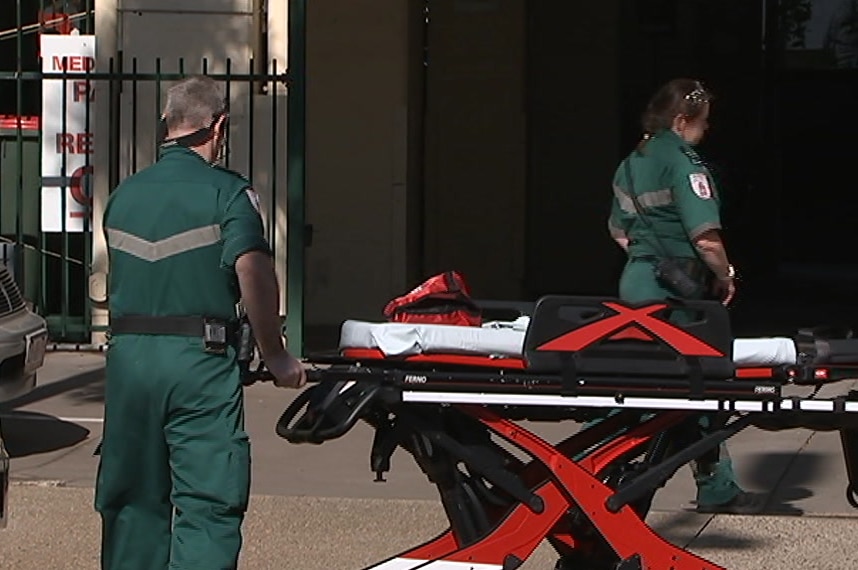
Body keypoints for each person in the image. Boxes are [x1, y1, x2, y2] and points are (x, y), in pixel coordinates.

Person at [94, 75, 307, 570]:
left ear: (167, 125)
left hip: (129, 368)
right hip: (199, 367)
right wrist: (275, 355)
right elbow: (253, 270)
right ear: (220, 126)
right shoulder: (229, 194)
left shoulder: (125, 196)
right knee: (209, 502)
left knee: (131, 502)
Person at [604, 78, 761, 515]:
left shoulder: (629, 165)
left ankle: (599, 462)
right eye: (703, 124)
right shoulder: (685, 163)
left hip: (636, 283)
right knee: (707, 383)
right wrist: (725, 275)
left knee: (638, 384)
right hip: (678, 294)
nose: (706, 132)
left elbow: (619, 232)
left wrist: (648, 257)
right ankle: (715, 486)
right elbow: (706, 239)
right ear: (681, 121)